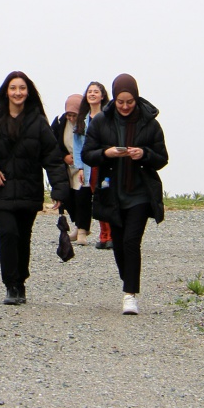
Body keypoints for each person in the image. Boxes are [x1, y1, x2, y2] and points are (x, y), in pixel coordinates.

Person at [0, 71, 70, 306]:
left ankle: (20, 283)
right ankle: (10, 285)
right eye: (13, 88)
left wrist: (59, 190)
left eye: (22, 88)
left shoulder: (38, 122)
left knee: (23, 237)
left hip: (28, 190)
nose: (18, 92)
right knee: (8, 233)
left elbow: (52, 158)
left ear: (28, 91)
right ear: (6, 91)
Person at [82, 73, 167, 315]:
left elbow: (162, 158)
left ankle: (130, 294)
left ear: (136, 98)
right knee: (118, 245)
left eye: (130, 102)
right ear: (115, 99)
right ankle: (127, 278)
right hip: (111, 192)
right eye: (121, 102)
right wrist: (106, 153)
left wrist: (145, 154)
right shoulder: (101, 121)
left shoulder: (150, 123)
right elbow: (88, 153)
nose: (125, 106)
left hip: (140, 192)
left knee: (131, 242)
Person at [52, 94, 92, 244]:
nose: (70, 118)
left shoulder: (88, 122)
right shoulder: (60, 122)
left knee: (83, 199)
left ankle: (83, 231)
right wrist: (64, 157)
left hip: (84, 167)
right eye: (68, 115)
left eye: (73, 115)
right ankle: (78, 225)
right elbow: (53, 143)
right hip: (68, 168)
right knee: (69, 199)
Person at [81, 82, 113, 250]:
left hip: (106, 164)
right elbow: (78, 144)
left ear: (102, 95)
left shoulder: (108, 116)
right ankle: (103, 235)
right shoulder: (83, 118)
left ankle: (112, 235)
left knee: (108, 197)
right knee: (97, 198)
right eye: (89, 91)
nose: (92, 94)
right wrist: (80, 167)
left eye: (96, 91)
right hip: (89, 165)